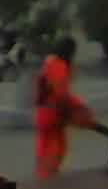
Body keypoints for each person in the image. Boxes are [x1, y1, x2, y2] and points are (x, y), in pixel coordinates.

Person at [32, 36, 103, 180]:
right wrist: (79, 108)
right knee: (54, 147)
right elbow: (61, 94)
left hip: (44, 112)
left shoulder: (50, 62)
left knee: (48, 146)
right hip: (52, 113)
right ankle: (47, 179)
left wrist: (78, 108)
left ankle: (45, 176)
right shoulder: (59, 66)